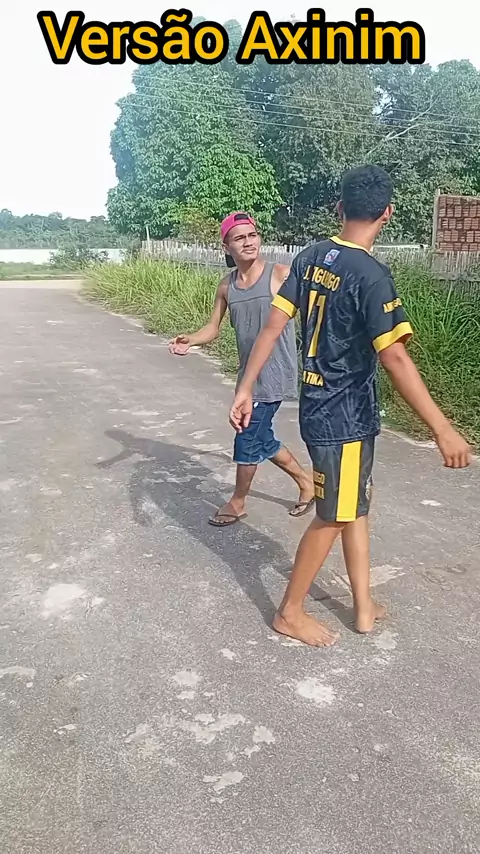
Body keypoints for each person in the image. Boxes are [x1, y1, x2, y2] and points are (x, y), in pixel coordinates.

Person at [230, 166, 472, 646]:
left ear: (339, 208)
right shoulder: (371, 275)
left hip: (323, 407)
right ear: (388, 213)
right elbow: (394, 356)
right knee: (334, 513)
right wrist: (442, 428)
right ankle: (289, 612)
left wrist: (246, 387)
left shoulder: (310, 256)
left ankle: (363, 606)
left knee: (355, 505)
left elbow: (274, 326)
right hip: (343, 415)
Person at [169, 211, 314, 527]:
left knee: (247, 436)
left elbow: (315, 313)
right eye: (239, 238)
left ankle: (237, 502)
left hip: (275, 373)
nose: (248, 242)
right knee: (262, 438)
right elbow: (213, 328)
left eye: (252, 235)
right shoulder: (227, 285)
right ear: (227, 247)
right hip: (248, 377)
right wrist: (190, 339)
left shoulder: (280, 275)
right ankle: (306, 482)